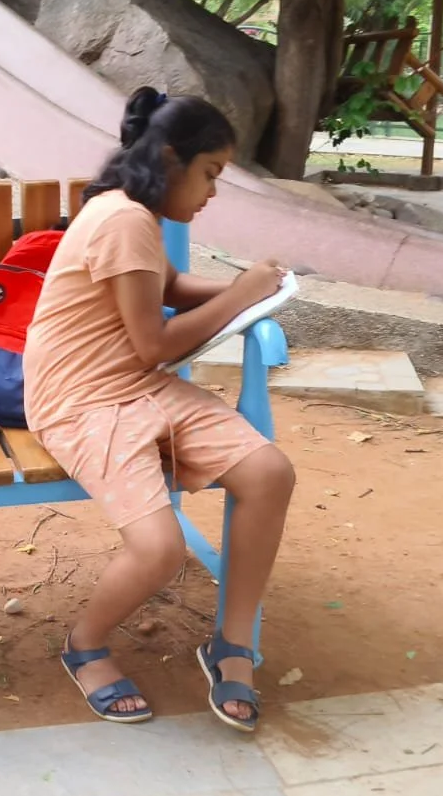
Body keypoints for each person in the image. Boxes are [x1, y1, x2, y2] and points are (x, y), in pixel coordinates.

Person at [23, 87, 296, 731]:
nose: (211, 193)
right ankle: (83, 644)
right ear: (171, 159)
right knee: (158, 549)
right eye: (210, 174)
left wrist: (245, 290)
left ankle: (231, 645)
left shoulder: (133, 214)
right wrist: (242, 296)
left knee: (268, 473)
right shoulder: (123, 220)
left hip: (135, 386)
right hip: (82, 398)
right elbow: (153, 344)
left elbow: (166, 288)